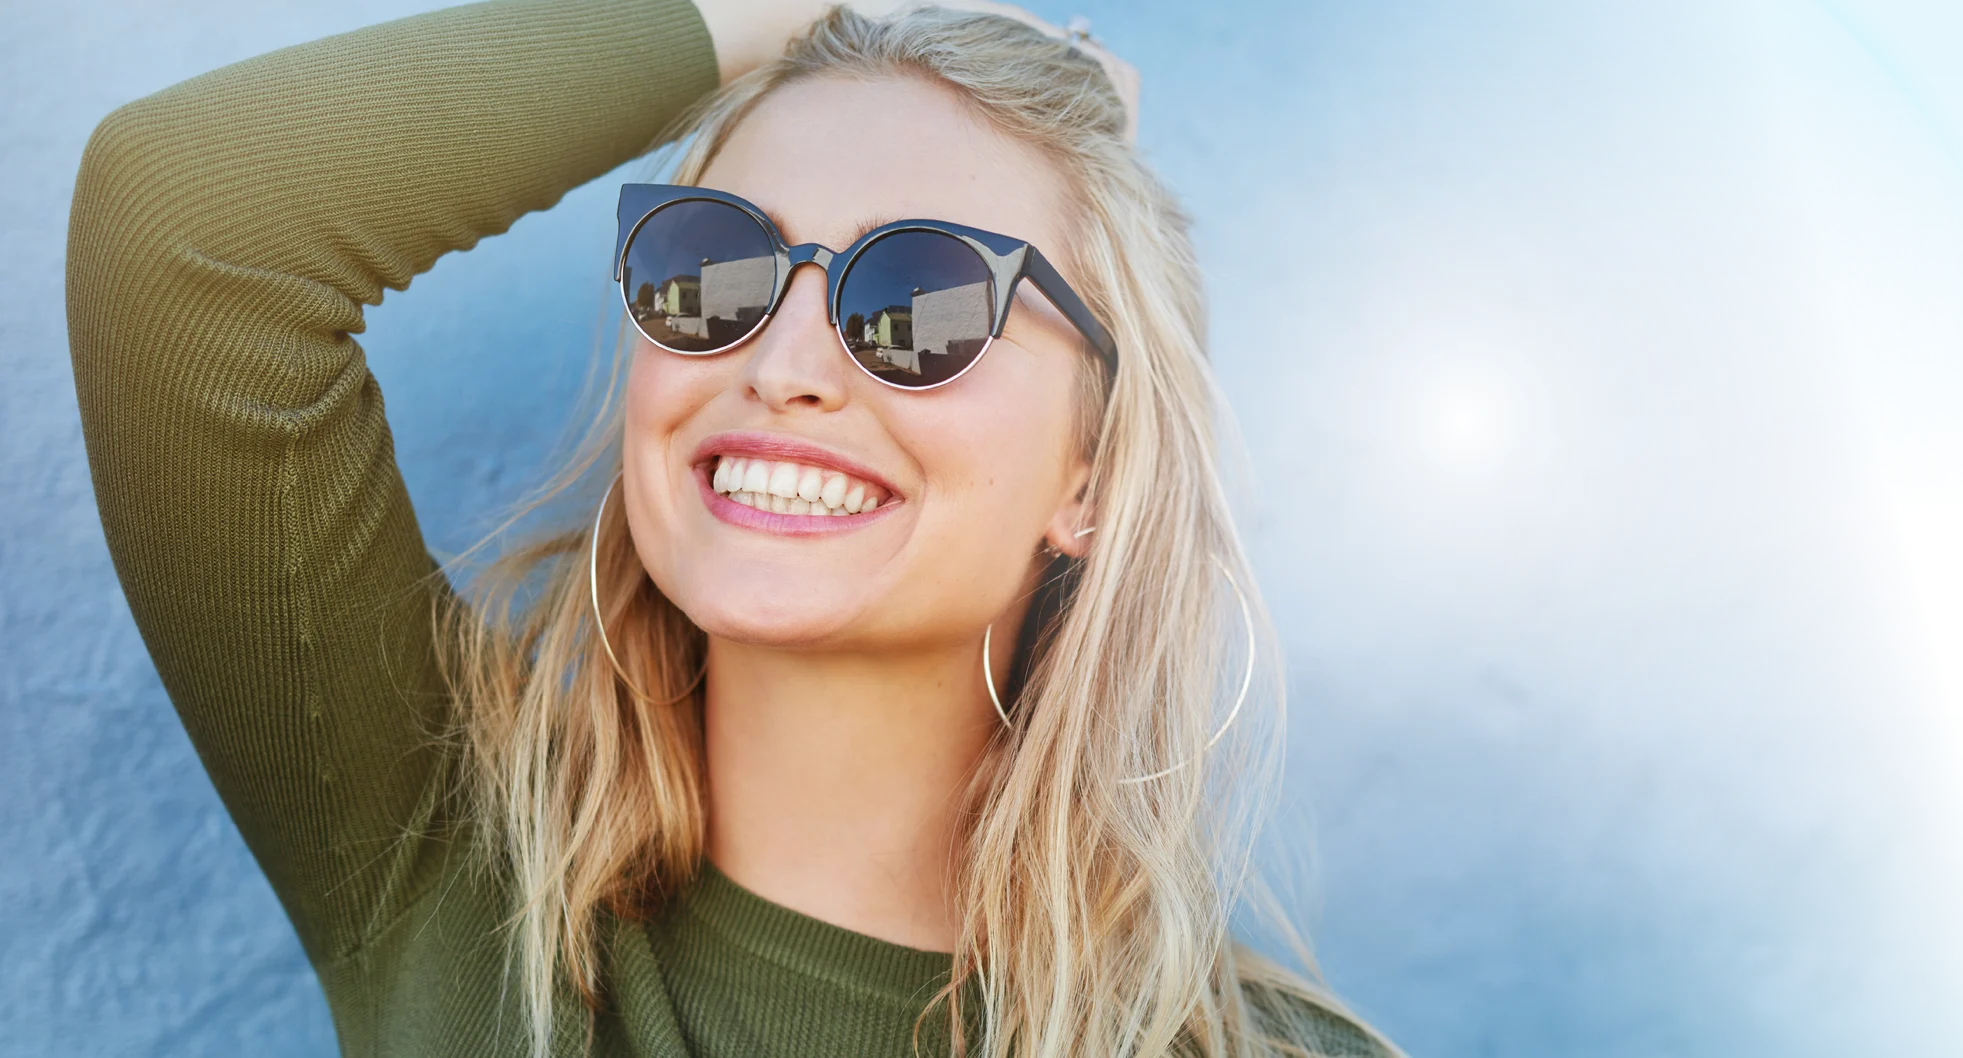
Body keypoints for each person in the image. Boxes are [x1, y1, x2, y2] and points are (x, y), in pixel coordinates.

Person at [67, 0, 1402, 1055]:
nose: (784, 364)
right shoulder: (461, 881)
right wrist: (796, 15)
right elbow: (183, 224)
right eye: (717, 268)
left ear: (1093, 476)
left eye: (924, 297)